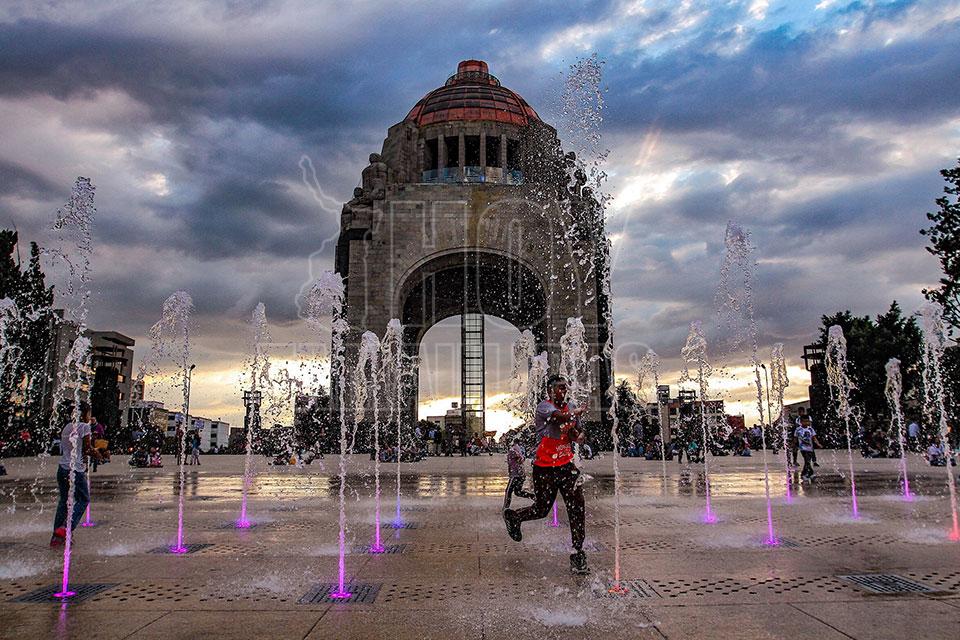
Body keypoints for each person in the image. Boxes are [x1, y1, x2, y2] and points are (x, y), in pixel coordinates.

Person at [503, 375, 589, 574]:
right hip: (544, 467)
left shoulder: (571, 405)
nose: (563, 391)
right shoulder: (544, 407)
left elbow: (574, 433)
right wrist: (575, 413)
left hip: (567, 466)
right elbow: (558, 418)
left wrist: (580, 436)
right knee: (542, 509)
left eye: (565, 388)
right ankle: (514, 517)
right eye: (559, 388)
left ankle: (578, 553)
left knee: (577, 507)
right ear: (549, 391)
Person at [51, 401, 102, 547]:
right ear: (85, 413)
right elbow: (86, 448)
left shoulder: (67, 427)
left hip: (62, 468)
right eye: (89, 413)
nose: (90, 416)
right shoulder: (84, 426)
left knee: (64, 501)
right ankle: (66, 528)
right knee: (84, 499)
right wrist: (98, 454)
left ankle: (56, 536)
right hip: (76, 469)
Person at [503, 437, 536, 510]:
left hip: (515, 474)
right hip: (521, 474)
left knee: (508, 491)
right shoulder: (520, 449)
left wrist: (518, 459)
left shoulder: (513, 450)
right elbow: (523, 458)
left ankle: (505, 507)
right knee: (518, 492)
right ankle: (533, 496)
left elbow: (520, 457)